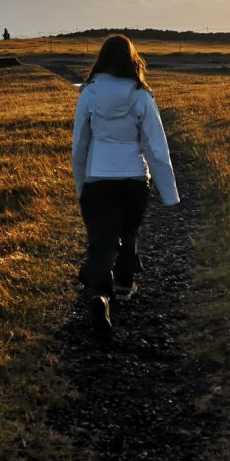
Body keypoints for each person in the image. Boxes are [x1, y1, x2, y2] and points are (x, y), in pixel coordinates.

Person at [72, 34, 179, 333]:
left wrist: (81, 184)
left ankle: (99, 293)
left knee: (102, 238)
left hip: (98, 178)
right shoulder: (141, 95)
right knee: (128, 232)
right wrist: (169, 194)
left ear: (102, 59)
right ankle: (124, 283)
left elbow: (80, 145)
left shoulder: (89, 94)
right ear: (132, 60)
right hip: (134, 179)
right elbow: (156, 147)